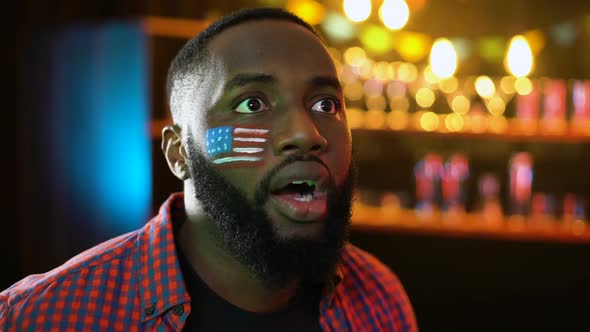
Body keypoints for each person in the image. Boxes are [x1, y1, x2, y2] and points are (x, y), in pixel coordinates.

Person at [1, 8, 417, 331]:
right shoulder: (44, 316)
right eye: (252, 104)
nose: (308, 134)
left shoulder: (380, 299)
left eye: (326, 105)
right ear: (179, 153)